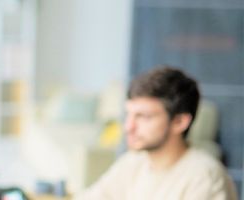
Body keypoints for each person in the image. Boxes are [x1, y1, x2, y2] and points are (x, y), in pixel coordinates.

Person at [76, 67, 237, 200]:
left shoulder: (204, 177)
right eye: (129, 115)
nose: (129, 127)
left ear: (179, 122)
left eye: (143, 117)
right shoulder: (133, 162)